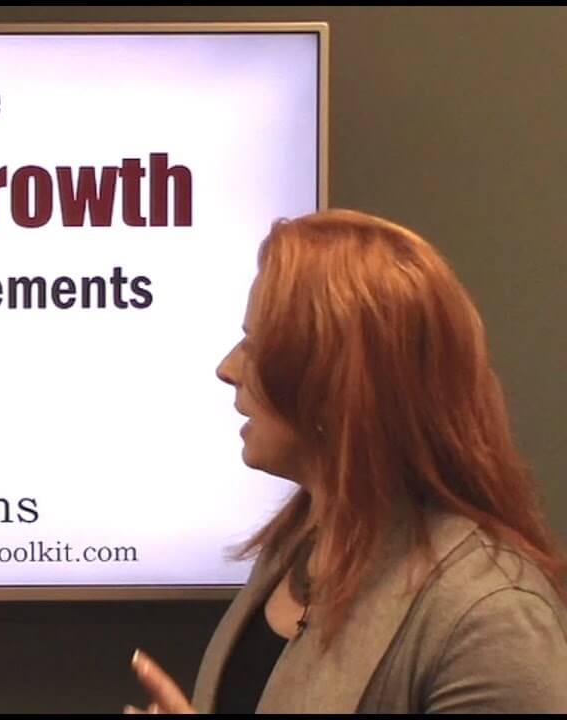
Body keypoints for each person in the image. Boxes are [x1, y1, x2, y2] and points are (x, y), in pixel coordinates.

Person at [125, 209, 567, 713]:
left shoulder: (490, 616)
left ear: (338, 384)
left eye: (257, 346)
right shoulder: (299, 544)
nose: (228, 368)